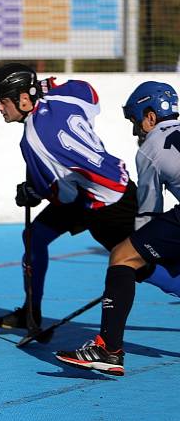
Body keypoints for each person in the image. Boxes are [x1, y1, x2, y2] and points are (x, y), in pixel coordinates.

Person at [0, 63, 137, 333]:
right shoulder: (62, 98)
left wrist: (33, 192)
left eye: (2, 100)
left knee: (140, 263)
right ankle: (31, 309)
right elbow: (89, 92)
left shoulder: (33, 140)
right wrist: (42, 87)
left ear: (23, 99)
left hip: (105, 202)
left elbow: (63, 196)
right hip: (97, 188)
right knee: (34, 236)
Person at [56, 81, 180, 376]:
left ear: (150, 116)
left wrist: (131, 266)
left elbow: (149, 212)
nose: (136, 130)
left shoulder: (151, 148)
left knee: (124, 254)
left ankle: (108, 349)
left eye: (136, 121)